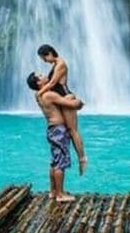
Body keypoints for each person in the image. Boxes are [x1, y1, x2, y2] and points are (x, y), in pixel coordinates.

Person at [27, 71, 84, 203]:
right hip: (59, 130)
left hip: (52, 130)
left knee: (54, 161)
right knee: (60, 163)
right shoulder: (49, 95)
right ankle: (60, 194)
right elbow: (72, 105)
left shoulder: (39, 96)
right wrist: (78, 101)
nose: (44, 75)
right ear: (39, 83)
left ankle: (53, 191)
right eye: (40, 76)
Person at [36, 44, 87, 175]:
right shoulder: (55, 64)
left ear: (49, 53)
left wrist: (39, 93)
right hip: (61, 99)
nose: (44, 61)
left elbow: (53, 83)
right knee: (69, 131)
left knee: (72, 130)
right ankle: (78, 159)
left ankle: (82, 159)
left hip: (65, 97)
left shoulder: (61, 64)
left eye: (44, 58)